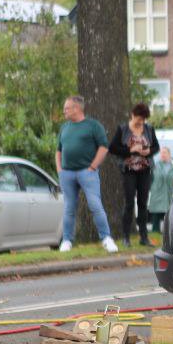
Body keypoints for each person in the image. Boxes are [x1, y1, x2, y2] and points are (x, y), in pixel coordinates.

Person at [55, 95, 117, 253]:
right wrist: (59, 169)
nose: (64, 111)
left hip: (87, 173)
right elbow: (58, 150)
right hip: (67, 173)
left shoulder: (93, 126)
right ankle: (67, 241)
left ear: (77, 108)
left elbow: (104, 147)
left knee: (95, 205)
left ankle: (106, 239)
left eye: (67, 108)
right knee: (69, 208)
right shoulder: (64, 127)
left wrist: (93, 166)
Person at [109, 103, 160, 247]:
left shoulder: (149, 129)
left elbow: (156, 147)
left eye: (143, 119)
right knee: (129, 203)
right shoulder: (123, 129)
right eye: (139, 118)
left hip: (145, 170)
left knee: (143, 203)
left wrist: (148, 152)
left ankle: (144, 237)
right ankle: (126, 237)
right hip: (129, 170)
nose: (141, 122)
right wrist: (131, 150)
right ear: (132, 115)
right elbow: (112, 148)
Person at [148, 146, 173, 236]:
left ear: (169, 154)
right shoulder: (155, 166)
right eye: (161, 153)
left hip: (169, 193)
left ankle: (169, 234)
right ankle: (155, 232)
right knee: (156, 214)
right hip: (157, 193)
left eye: (164, 153)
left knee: (169, 214)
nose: (162, 155)